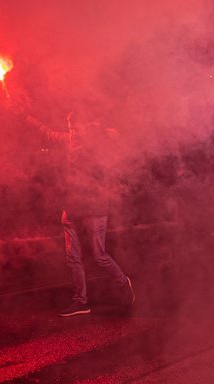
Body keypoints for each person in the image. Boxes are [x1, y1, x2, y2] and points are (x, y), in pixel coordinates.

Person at [22, 106, 135, 317]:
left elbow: (115, 144)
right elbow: (47, 132)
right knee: (73, 257)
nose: (71, 131)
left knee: (99, 255)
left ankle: (122, 281)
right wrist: (24, 115)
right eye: (69, 126)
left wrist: (107, 134)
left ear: (85, 126)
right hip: (73, 206)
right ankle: (80, 301)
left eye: (75, 126)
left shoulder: (98, 144)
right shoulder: (69, 140)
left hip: (95, 206)